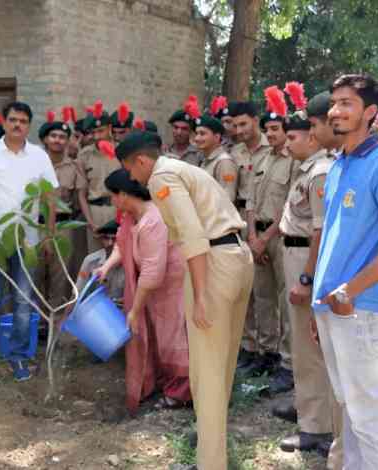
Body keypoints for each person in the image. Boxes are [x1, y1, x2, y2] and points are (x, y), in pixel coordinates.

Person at [117, 131, 253, 470]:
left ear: (142, 161)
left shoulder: (162, 177)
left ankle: (210, 464)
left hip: (215, 264)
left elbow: (192, 235)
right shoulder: (181, 169)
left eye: (130, 170)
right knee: (220, 365)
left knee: (206, 370)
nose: (132, 179)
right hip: (236, 255)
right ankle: (213, 446)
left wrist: (202, 294)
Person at [311, 74, 378, 469]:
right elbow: (351, 237)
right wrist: (323, 298)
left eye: (346, 103)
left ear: (369, 113)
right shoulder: (338, 166)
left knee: (366, 413)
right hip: (330, 303)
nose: (335, 110)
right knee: (348, 408)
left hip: (353, 306)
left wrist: (349, 291)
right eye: (334, 102)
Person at [0, 101, 59, 383]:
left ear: (29, 125)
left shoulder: (39, 157)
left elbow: (49, 199)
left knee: (22, 301)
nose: (17, 124)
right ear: (4, 122)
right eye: (12, 119)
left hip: (27, 241)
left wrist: (49, 235)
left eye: (22, 120)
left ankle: (18, 356)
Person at [271, 103, 340, 459]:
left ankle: (318, 428)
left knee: (310, 348)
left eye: (294, 135)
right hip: (293, 251)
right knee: (301, 344)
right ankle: (307, 408)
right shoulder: (307, 168)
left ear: (313, 137)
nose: (287, 142)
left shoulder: (320, 173)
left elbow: (320, 229)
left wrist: (305, 278)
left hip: (305, 258)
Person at [97, 169, 191, 414]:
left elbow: (152, 272)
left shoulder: (153, 220)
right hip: (151, 286)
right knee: (154, 334)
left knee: (172, 336)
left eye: (113, 196)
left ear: (125, 195)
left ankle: (182, 393)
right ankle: (161, 383)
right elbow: (122, 244)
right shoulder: (131, 216)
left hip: (170, 285)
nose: (112, 201)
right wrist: (106, 267)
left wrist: (134, 310)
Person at [242, 87, 295, 388]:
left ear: (286, 131)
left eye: (276, 129)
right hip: (257, 235)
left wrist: (265, 238)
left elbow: (289, 203)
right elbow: (249, 200)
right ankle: (267, 352)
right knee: (262, 297)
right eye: (268, 129)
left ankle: (288, 362)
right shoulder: (261, 160)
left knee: (284, 300)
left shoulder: (294, 161)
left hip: (280, 236)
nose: (271, 134)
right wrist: (252, 235)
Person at [229, 101, 271, 373]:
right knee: (244, 288)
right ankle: (250, 346)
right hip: (241, 219)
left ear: (256, 121)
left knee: (266, 291)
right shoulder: (234, 152)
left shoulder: (275, 149)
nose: (239, 129)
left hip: (266, 223)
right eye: (234, 125)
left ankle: (270, 349)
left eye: (243, 123)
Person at [36, 110, 85, 310]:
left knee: (61, 274)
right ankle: (36, 319)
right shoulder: (34, 165)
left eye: (62, 137)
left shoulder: (73, 168)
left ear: (67, 141)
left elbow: (78, 199)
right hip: (36, 225)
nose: (58, 140)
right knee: (36, 272)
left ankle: (55, 318)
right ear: (45, 139)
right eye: (53, 136)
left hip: (63, 226)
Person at [77, 102, 121, 254]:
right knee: (95, 260)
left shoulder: (122, 151)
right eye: (93, 132)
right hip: (94, 212)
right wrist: (90, 223)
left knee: (120, 258)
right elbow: (81, 193)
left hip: (119, 211)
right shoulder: (84, 155)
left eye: (101, 131)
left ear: (109, 128)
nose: (97, 136)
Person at [74, 220, 125, 300]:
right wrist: (69, 312)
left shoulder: (129, 264)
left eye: (114, 239)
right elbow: (77, 292)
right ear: (101, 239)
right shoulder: (90, 261)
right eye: (106, 238)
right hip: (96, 307)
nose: (110, 243)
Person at [194, 113, 238, 202]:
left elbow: (227, 199)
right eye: (197, 133)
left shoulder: (225, 162)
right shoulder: (206, 160)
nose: (197, 138)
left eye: (202, 134)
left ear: (217, 137)